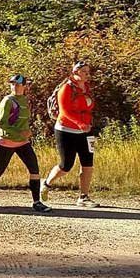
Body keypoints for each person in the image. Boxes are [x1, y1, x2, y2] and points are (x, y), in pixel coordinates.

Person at [0, 74, 52, 213]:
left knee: (34, 169)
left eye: (18, 84)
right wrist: (19, 132)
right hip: (7, 141)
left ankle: (37, 202)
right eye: (13, 84)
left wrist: (27, 131)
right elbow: (2, 123)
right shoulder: (7, 101)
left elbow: (23, 121)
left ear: (25, 86)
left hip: (22, 142)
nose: (15, 86)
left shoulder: (25, 100)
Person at [41, 61, 99, 208]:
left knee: (88, 163)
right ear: (76, 72)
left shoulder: (86, 87)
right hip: (66, 130)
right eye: (85, 71)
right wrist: (79, 123)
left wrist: (86, 122)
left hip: (86, 131)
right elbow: (64, 112)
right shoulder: (66, 88)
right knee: (66, 165)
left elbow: (89, 106)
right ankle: (47, 183)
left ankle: (83, 197)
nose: (88, 74)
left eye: (88, 72)